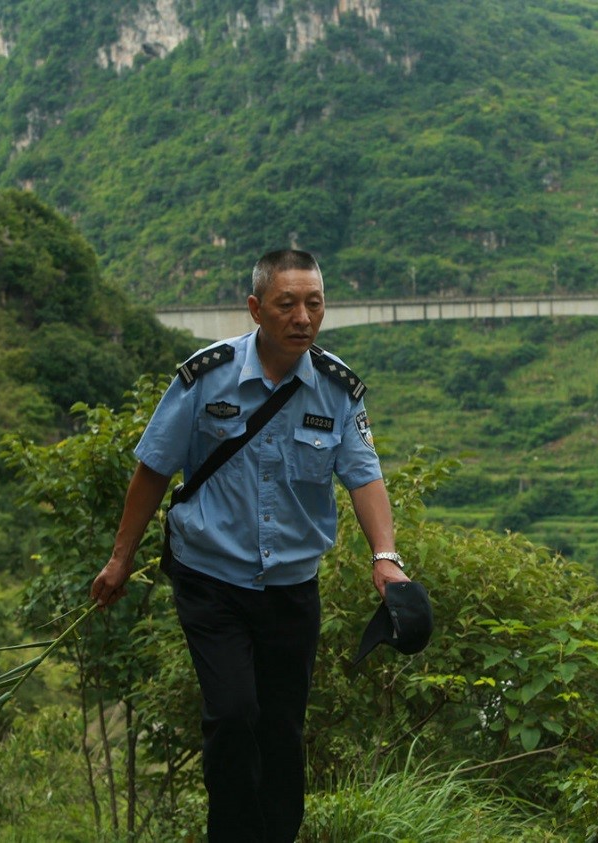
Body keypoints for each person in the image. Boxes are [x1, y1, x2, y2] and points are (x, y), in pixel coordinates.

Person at [90, 248, 409, 842]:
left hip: (291, 587)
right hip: (211, 580)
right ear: (256, 308)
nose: (302, 318)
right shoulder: (205, 376)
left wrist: (385, 559)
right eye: (287, 304)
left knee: (282, 729)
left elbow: (364, 477)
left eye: (314, 304)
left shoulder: (337, 389)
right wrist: (120, 559)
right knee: (234, 714)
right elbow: (153, 468)